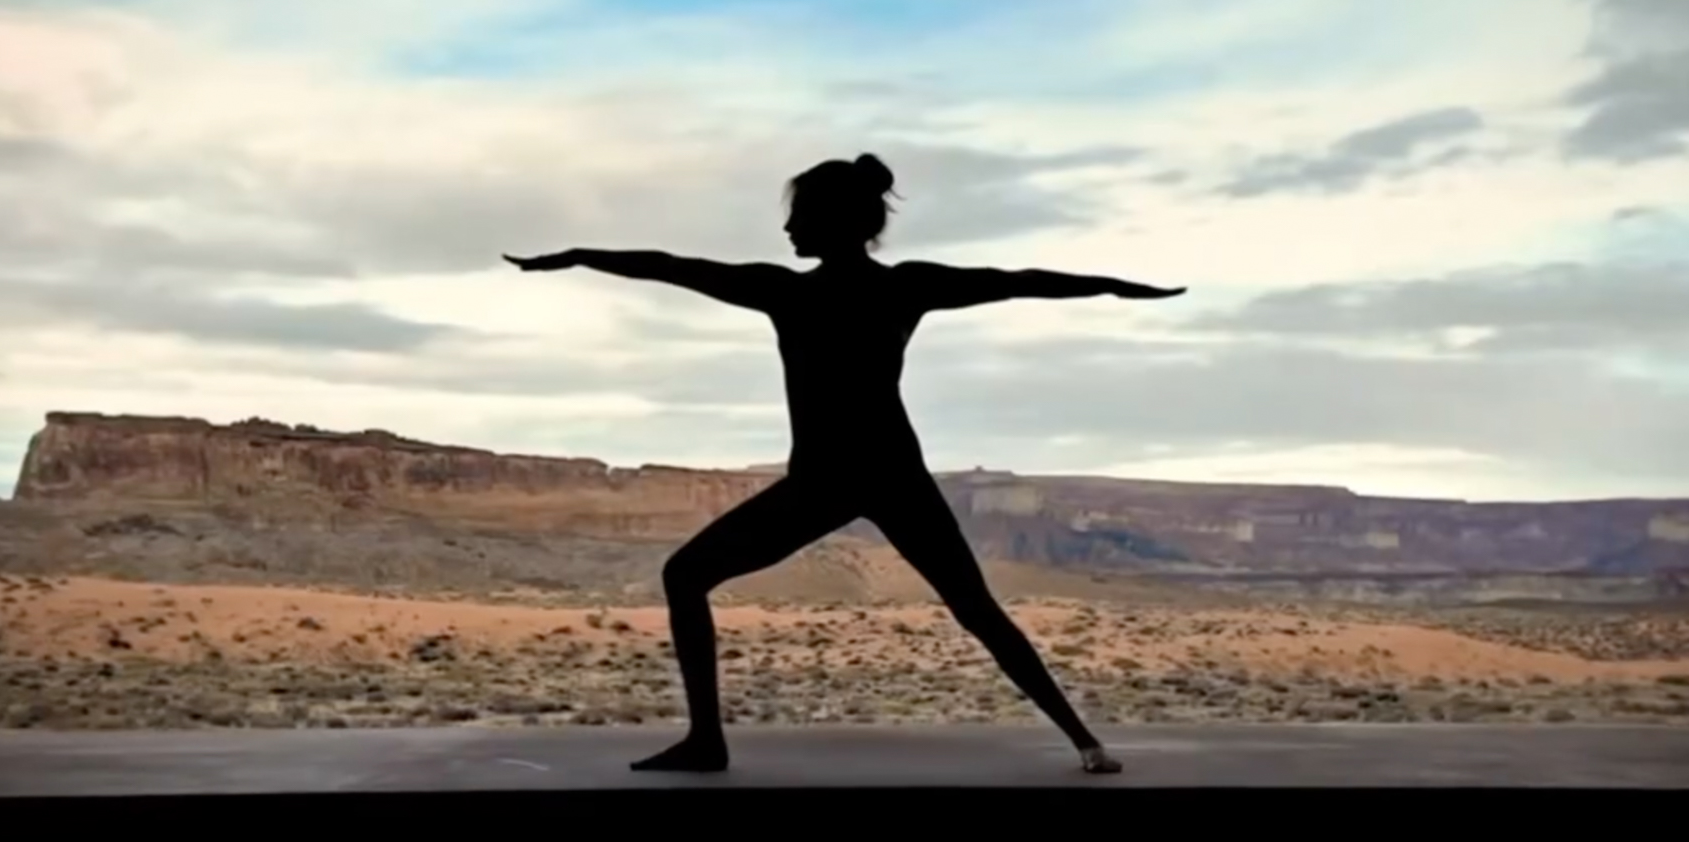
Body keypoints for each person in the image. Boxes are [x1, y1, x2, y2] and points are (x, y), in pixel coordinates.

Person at [504, 153, 1184, 774]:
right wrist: (1119, 287)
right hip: (879, 475)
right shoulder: (888, 286)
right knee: (972, 606)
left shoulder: (795, 290)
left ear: (836, 221)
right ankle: (1085, 742)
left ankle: (708, 740)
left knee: (690, 575)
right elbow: (1021, 282)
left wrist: (576, 255)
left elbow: (670, 264)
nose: (789, 230)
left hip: (841, 479)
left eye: (799, 216)